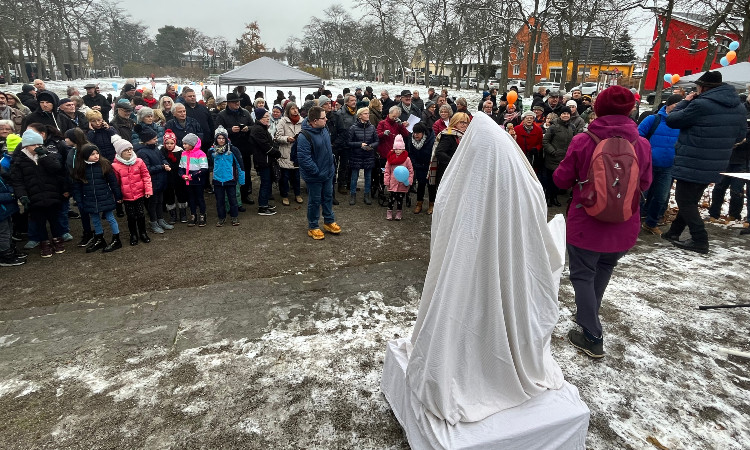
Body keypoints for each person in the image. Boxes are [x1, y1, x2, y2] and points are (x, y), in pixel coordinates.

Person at [405, 112, 566, 426]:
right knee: (477, 300)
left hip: (488, 262)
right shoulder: (516, 176)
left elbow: (446, 212)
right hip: (487, 262)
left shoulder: (476, 176)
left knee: (478, 301)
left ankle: (477, 360)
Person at [553, 85, 652, 358]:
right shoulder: (641, 144)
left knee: (583, 274)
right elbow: (645, 182)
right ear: (630, 110)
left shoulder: (584, 141)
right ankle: (588, 314)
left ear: (598, 109)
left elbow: (561, 179)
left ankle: (592, 334)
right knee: (604, 268)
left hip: (587, 220)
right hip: (624, 222)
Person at [663, 71, 747, 253]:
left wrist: (685, 102)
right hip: (716, 162)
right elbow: (740, 136)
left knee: (684, 201)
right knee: (691, 200)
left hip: (693, 159)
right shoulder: (739, 107)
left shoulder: (701, 105)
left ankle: (700, 239)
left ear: (703, 87)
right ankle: (674, 232)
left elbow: (672, 120)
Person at [10, 129, 68, 257]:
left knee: (55, 219)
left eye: (39, 144)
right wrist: (22, 196)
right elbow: (17, 181)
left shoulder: (47, 155)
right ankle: (44, 243)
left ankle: (57, 239)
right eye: (33, 145)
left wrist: (44, 157)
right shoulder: (19, 161)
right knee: (39, 222)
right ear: (25, 145)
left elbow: (56, 168)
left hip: (51, 193)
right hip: (33, 196)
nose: (37, 147)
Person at [638, 94, 682, 235]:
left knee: (661, 197)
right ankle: (633, 221)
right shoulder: (653, 119)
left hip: (668, 167)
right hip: (647, 165)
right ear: (669, 105)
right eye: (676, 105)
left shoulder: (682, 123)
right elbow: (638, 136)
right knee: (640, 196)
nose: (679, 109)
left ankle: (651, 223)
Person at [296, 106, 340, 240]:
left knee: (327, 197)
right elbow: (304, 159)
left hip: (327, 172)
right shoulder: (304, 136)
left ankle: (328, 221)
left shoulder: (324, 129)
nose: (326, 119)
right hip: (315, 175)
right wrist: (317, 171)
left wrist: (330, 166)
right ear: (314, 121)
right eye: (323, 117)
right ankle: (313, 226)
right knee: (315, 201)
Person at [71, 143, 123, 252]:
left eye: (97, 153)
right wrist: (79, 200)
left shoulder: (104, 165)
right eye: (92, 154)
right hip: (89, 198)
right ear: (85, 156)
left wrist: (118, 195)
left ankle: (116, 239)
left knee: (110, 218)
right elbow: (77, 187)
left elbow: (113, 182)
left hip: (104, 197)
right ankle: (100, 238)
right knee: (95, 219)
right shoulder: (80, 169)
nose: (96, 156)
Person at [111, 136, 153, 245]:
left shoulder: (139, 161)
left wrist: (148, 189)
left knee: (140, 214)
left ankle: (143, 233)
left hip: (139, 193)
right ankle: (133, 234)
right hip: (126, 196)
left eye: (130, 149)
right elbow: (115, 183)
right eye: (126, 150)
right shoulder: (115, 166)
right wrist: (118, 197)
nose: (129, 151)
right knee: (130, 216)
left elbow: (146, 175)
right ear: (120, 152)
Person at [428, 112, 470, 215]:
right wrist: (454, 161)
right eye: (462, 122)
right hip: (447, 171)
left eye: (466, 123)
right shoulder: (449, 135)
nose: (464, 125)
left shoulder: (464, 136)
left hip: (459, 171)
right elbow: (439, 152)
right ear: (455, 122)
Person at [216, 93, 254, 205]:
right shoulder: (222, 115)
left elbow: (254, 126)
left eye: (238, 101)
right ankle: (232, 198)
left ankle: (245, 194)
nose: (237, 103)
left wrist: (248, 128)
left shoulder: (245, 113)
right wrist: (230, 130)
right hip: (229, 149)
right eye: (234, 101)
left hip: (245, 148)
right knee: (231, 173)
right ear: (228, 103)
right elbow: (218, 132)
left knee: (245, 171)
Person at [134, 125, 172, 234]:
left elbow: (162, 158)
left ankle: (161, 220)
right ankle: (153, 222)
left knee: (160, 201)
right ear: (147, 140)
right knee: (153, 203)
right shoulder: (142, 152)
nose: (156, 140)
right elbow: (147, 168)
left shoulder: (155, 148)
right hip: (152, 182)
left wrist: (165, 163)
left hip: (160, 181)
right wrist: (162, 167)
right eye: (154, 138)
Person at [209, 126, 244, 226]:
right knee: (219, 201)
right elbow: (210, 164)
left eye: (223, 138)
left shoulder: (233, 150)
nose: (221, 140)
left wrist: (241, 179)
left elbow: (239, 164)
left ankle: (234, 217)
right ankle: (221, 218)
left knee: (233, 199)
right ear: (216, 139)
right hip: (217, 179)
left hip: (230, 178)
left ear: (226, 139)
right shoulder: (212, 151)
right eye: (219, 138)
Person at [249, 108, 281, 215]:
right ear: (259, 118)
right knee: (265, 183)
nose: (268, 119)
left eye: (268, 116)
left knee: (267, 182)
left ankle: (265, 203)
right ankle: (262, 206)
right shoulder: (258, 129)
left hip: (266, 160)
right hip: (263, 161)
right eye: (265, 117)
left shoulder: (262, 128)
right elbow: (265, 146)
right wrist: (276, 152)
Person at [542, 106, 576, 206]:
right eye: (564, 113)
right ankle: (548, 198)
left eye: (567, 114)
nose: (566, 115)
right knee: (550, 180)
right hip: (552, 159)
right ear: (560, 115)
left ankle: (555, 198)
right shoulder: (554, 127)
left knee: (558, 181)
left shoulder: (572, 127)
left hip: (564, 159)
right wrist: (553, 151)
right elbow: (545, 141)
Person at [347, 107, 379, 205]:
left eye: (368, 113)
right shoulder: (353, 128)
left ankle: (367, 195)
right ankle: (352, 195)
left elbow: (377, 141)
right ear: (360, 115)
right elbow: (348, 142)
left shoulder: (372, 127)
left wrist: (371, 146)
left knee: (368, 177)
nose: (367, 115)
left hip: (368, 155)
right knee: (354, 177)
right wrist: (360, 144)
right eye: (365, 113)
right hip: (356, 155)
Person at [274, 102, 304, 206]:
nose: (295, 110)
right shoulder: (283, 121)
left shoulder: (302, 121)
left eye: (296, 108)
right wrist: (287, 138)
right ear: (288, 110)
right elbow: (277, 137)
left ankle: (297, 194)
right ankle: (285, 195)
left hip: (297, 152)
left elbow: (306, 134)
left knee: (296, 176)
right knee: (285, 176)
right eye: (292, 109)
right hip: (286, 151)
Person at [178, 133, 208, 227]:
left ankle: (202, 215)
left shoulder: (201, 154)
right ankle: (193, 215)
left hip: (198, 181)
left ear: (192, 144)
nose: (184, 146)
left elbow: (204, 169)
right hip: (188, 181)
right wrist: (182, 175)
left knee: (200, 198)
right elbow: (180, 167)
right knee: (191, 199)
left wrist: (191, 176)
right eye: (183, 144)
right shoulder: (183, 153)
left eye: (186, 144)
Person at [405, 123, 434, 214]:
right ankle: (419, 204)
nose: (415, 135)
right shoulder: (411, 140)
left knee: (431, 186)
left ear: (423, 133)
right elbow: (411, 153)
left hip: (430, 166)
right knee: (420, 185)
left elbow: (434, 153)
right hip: (418, 166)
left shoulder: (431, 140)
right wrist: (415, 164)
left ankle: (431, 204)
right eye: (414, 133)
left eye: (418, 133)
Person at [384, 135, 414, 220]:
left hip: (402, 183)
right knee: (391, 199)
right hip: (392, 182)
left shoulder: (407, 159)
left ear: (403, 149)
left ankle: (399, 213)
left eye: (400, 149)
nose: (398, 151)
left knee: (400, 199)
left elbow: (410, 171)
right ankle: (389, 212)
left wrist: (409, 181)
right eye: (396, 149)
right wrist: (387, 181)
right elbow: (387, 171)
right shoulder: (390, 159)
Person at [161, 130, 188, 224]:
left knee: (181, 194)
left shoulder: (180, 151)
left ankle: (183, 212)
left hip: (178, 176)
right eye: (167, 143)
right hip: (167, 177)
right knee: (169, 195)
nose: (169, 145)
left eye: (171, 143)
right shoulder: (162, 151)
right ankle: (172, 214)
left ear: (175, 143)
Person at [334, 94, 358, 194]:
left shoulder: (355, 113)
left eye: (355, 100)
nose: (354, 102)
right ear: (346, 102)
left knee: (346, 166)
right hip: (340, 144)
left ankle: (345, 184)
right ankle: (337, 185)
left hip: (349, 144)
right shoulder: (340, 113)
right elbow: (340, 130)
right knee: (337, 166)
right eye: (352, 100)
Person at [515, 111, 545, 176]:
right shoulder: (516, 129)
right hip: (521, 155)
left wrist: (536, 148)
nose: (529, 120)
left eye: (531, 118)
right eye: (527, 118)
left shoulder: (538, 130)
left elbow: (541, 143)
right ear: (523, 119)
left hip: (533, 157)